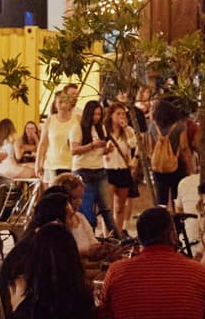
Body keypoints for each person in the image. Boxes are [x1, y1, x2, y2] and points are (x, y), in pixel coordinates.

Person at [71, 100, 118, 239]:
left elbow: (99, 151)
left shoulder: (101, 128)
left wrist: (106, 149)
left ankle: (115, 237)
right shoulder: (78, 127)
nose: (96, 117)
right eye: (94, 114)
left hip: (99, 169)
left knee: (106, 207)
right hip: (83, 170)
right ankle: (88, 237)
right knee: (86, 208)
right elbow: (74, 150)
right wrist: (92, 145)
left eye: (99, 114)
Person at [103, 101, 142, 234]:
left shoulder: (129, 130)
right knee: (108, 206)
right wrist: (105, 150)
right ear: (111, 115)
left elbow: (133, 144)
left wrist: (125, 128)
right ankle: (107, 234)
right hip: (108, 169)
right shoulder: (104, 129)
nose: (121, 116)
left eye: (123, 114)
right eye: (118, 114)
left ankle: (118, 233)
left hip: (123, 169)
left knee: (120, 207)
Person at [148, 97, 192, 212]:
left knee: (161, 201)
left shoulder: (153, 126)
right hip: (177, 167)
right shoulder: (180, 126)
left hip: (159, 169)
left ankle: (162, 223)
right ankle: (178, 226)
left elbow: (150, 149)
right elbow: (184, 148)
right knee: (177, 199)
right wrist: (190, 168)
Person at [40, 90, 78, 185]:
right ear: (55, 104)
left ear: (70, 104)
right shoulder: (50, 121)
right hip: (53, 163)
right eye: (60, 102)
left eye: (65, 102)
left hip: (72, 163)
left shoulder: (77, 119)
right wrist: (38, 163)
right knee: (54, 192)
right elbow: (43, 144)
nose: (63, 105)